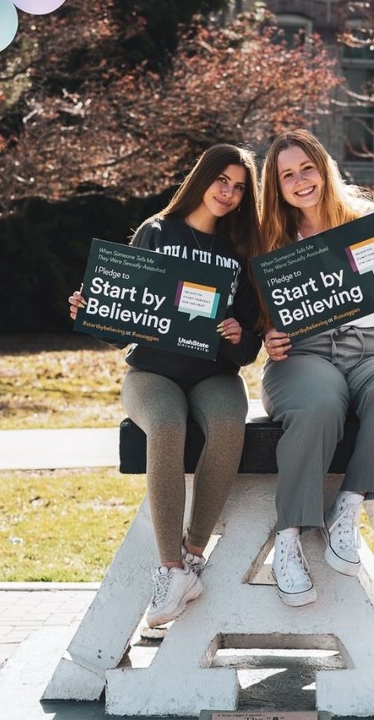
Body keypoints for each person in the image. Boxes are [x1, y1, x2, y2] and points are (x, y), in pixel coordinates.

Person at [69, 144, 263, 627]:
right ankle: (168, 568)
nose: (228, 193)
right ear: (201, 178)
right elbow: (124, 319)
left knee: (227, 422)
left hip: (214, 373)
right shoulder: (156, 232)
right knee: (167, 426)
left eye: (239, 187)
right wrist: (92, 310)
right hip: (152, 373)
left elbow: (250, 335)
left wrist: (239, 335)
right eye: (222, 180)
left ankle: (193, 555)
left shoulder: (239, 251)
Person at [257, 129, 374, 607]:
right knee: (316, 407)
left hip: (371, 347)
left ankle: (348, 507)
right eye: (287, 175)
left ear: (324, 167)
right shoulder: (271, 236)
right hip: (303, 354)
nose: (300, 181)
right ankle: (289, 538)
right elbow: (260, 316)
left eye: (306, 168)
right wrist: (266, 336)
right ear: (277, 186)